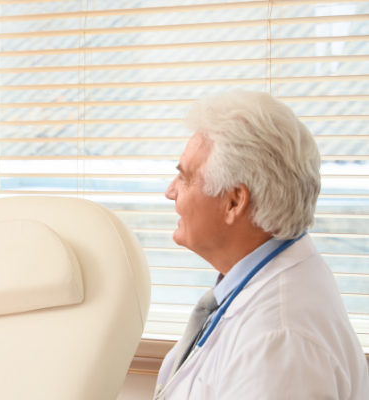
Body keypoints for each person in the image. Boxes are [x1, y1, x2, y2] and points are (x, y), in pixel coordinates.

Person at [154, 90, 369, 399]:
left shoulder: (281, 340)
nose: (170, 191)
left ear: (234, 201)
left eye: (185, 178)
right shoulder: (263, 288)